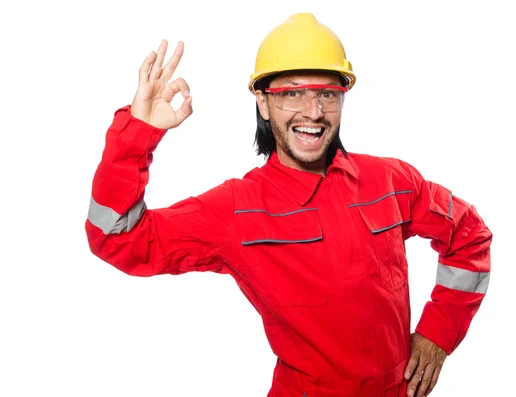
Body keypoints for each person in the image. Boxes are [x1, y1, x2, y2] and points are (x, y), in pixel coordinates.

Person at [85, 13, 492, 397]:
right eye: (292, 93)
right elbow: (116, 238)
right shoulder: (236, 209)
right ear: (263, 103)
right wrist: (138, 133)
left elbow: (469, 234)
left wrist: (439, 333)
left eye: (327, 94)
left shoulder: (390, 181)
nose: (313, 112)